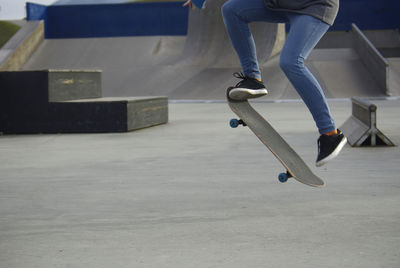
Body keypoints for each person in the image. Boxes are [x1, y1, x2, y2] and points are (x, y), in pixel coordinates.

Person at [183, 0, 347, 167]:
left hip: (314, 7)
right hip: (279, 4)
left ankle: (330, 133)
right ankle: (253, 78)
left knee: (291, 62)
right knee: (232, 10)